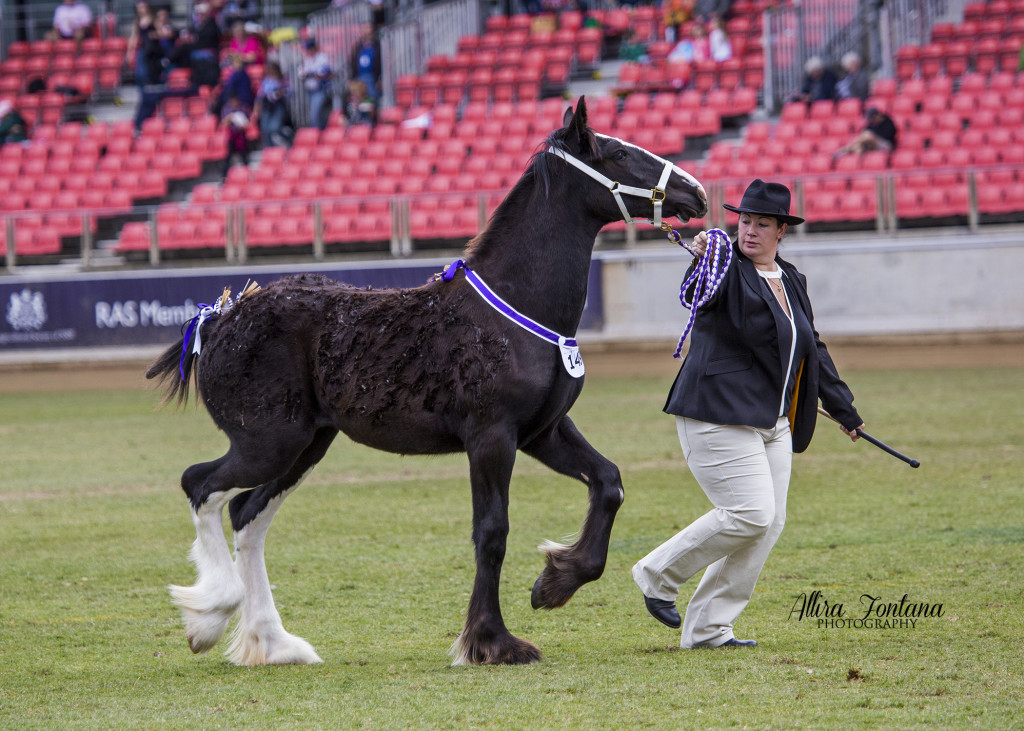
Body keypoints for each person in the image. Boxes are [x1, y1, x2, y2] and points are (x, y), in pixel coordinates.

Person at [632, 179, 866, 649]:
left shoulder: (792, 278)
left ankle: (708, 629)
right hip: (715, 414)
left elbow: (810, 347)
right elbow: (701, 290)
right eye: (744, 221)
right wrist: (704, 253)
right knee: (752, 513)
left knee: (767, 526)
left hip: (775, 422)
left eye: (762, 224)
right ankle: (657, 574)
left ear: (782, 231)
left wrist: (844, 409)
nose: (750, 231)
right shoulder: (724, 266)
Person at [252, 60, 293, 147]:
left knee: (274, 128)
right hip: (266, 107)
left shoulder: (283, 80)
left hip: (278, 106)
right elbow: (260, 95)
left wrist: (280, 93)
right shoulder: (266, 81)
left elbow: (289, 93)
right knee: (265, 130)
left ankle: (290, 139)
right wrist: (256, 109)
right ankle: (269, 149)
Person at [300, 37, 334, 130]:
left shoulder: (322, 57)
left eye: (309, 48)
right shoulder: (307, 59)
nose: (308, 50)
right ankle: (319, 135)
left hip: (321, 90)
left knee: (315, 116)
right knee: (314, 116)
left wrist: (312, 75)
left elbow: (326, 73)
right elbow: (302, 73)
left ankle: (318, 137)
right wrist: (311, 75)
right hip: (310, 90)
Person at [219, 88, 252, 179]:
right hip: (231, 136)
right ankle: (224, 177)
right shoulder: (226, 109)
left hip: (241, 136)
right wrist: (229, 118)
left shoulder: (243, 107)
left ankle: (248, 175)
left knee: (244, 156)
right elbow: (223, 123)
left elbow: (249, 123)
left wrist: (243, 124)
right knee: (227, 157)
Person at [349, 28, 380, 105]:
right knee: (357, 99)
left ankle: (369, 114)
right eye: (365, 34)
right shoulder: (358, 47)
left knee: (371, 98)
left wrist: (379, 78)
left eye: (369, 34)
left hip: (372, 78)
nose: (367, 36)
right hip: (359, 77)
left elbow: (379, 64)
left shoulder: (376, 47)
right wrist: (352, 78)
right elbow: (353, 63)